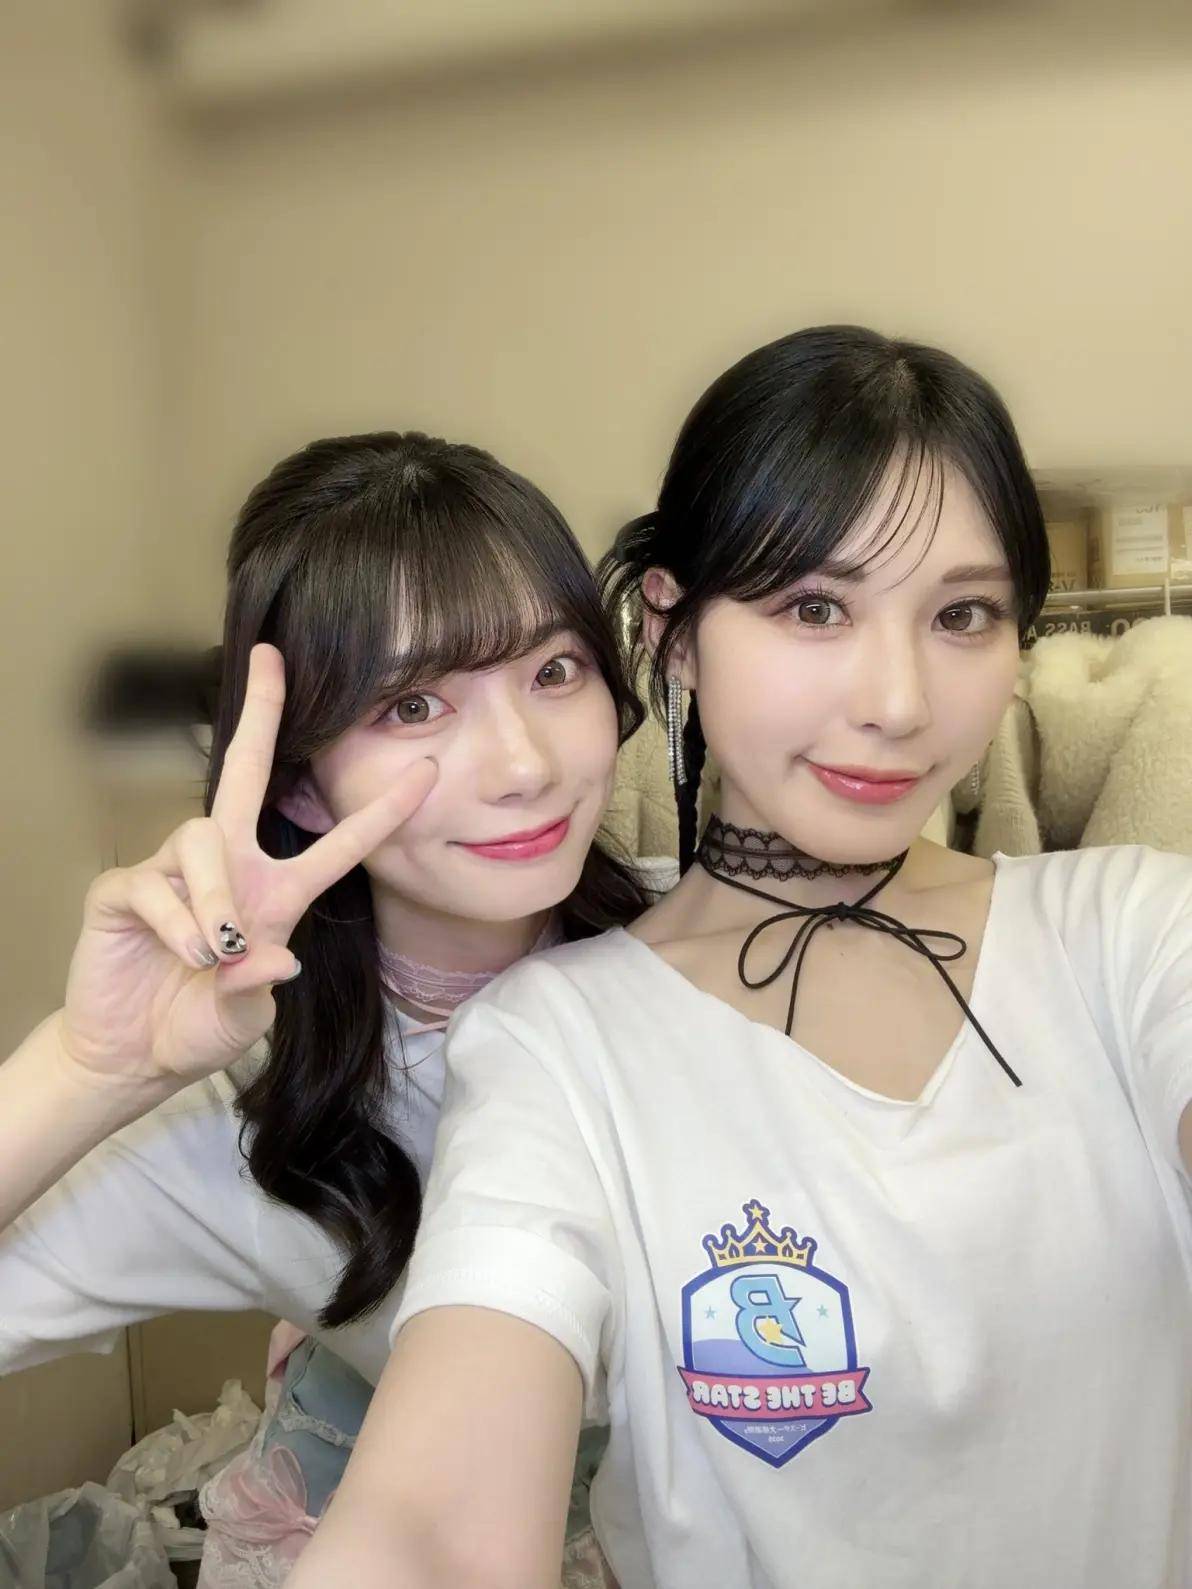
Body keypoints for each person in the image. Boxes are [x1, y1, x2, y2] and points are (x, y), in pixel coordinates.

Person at [288, 328, 1192, 1589]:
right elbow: (434, 1529)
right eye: (814, 607)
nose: (897, 701)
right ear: (673, 632)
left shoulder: (1133, 930)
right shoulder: (559, 1043)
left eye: (962, 615)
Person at [0, 430, 659, 1584]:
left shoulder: (723, 965)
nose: (524, 764)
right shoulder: (249, 1095)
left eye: (555, 671)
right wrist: (90, 1066)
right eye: (414, 703)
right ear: (303, 781)